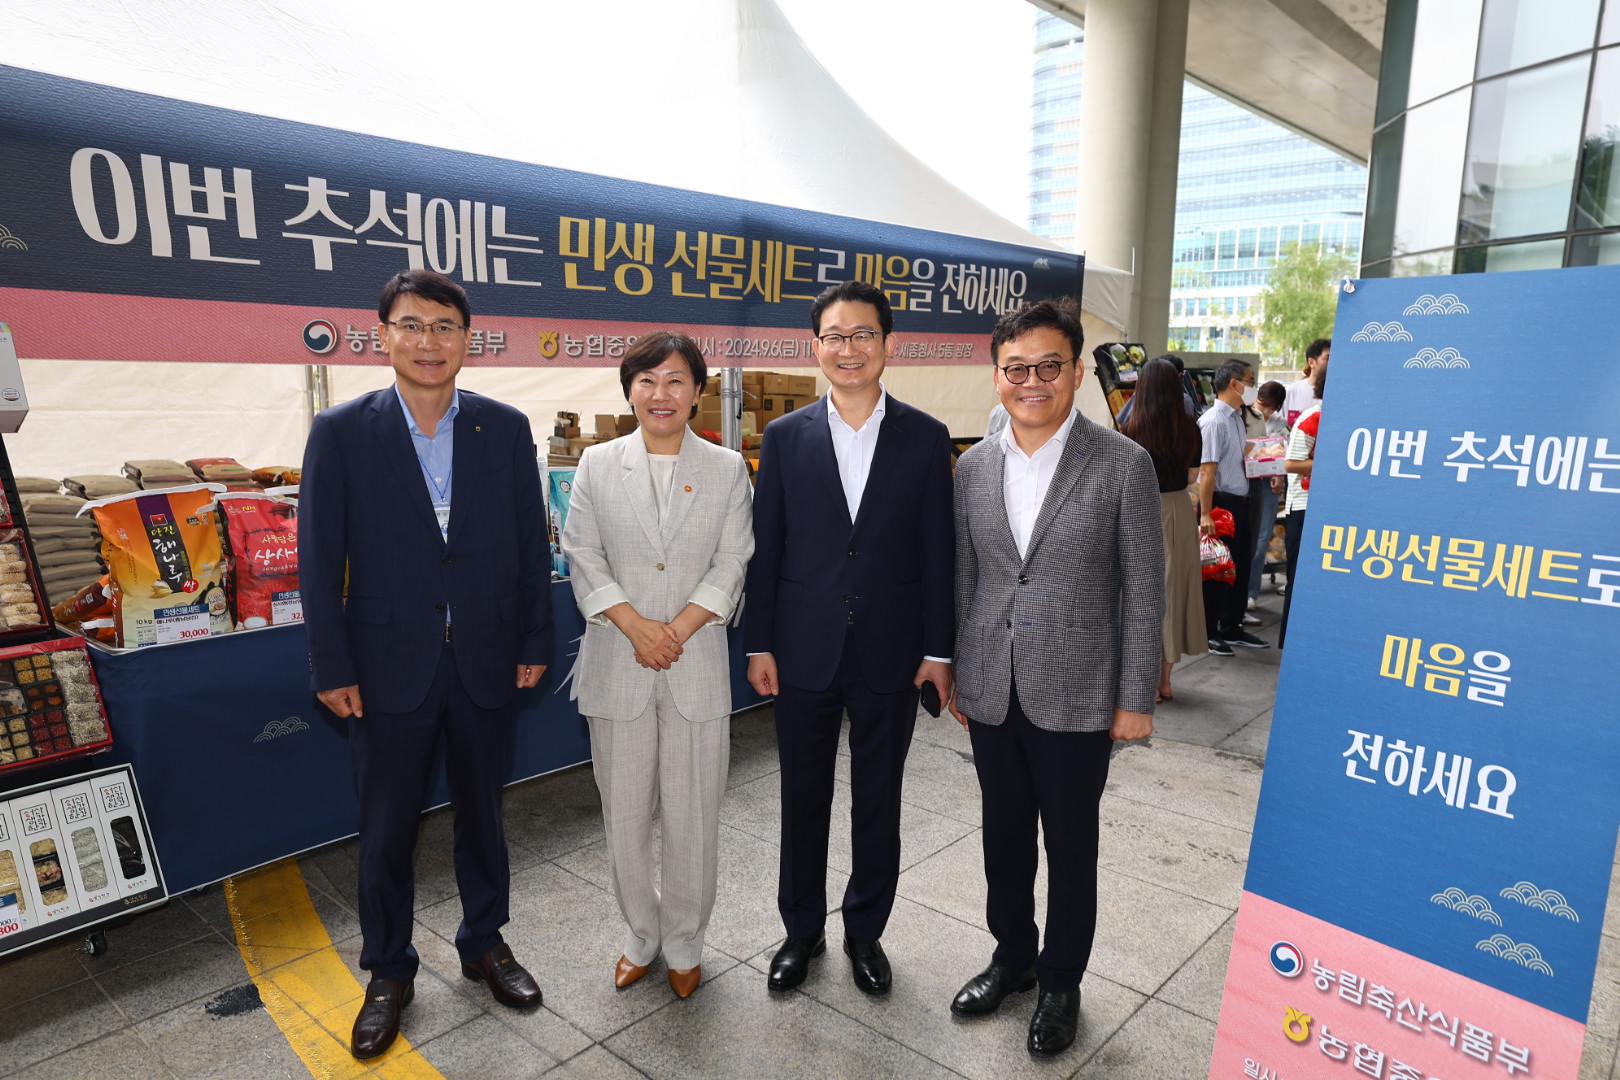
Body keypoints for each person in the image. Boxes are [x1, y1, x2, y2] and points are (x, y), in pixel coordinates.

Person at [301, 269, 553, 1059]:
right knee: (386, 830)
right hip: (384, 664)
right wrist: (330, 663)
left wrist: (535, 642)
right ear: (384, 336)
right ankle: (388, 970)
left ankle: (485, 943)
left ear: (466, 338)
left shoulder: (505, 429)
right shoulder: (341, 432)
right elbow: (318, 559)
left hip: (484, 659)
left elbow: (528, 546)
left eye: (444, 326)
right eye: (412, 325)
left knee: (484, 814)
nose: (428, 341)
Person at [948, 298, 1163, 1057]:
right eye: (1016, 369)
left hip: (1079, 691)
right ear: (997, 375)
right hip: (992, 688)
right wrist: (958, 673)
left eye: (1048, 366)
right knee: (1003, 838)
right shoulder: (973, 465)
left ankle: (1062, 981)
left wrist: (1136, 696)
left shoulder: (1121, 463)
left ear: (1075, 372)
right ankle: (1012, 959)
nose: (1031, 381)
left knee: (1071, 848)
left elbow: (1143, 587)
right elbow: (967, 580)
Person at [744, 279, 955, 997]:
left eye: (863, 334)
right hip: (802, 647)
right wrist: (759, 642)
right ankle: (800, 930)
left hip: (891, 650)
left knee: (878, 797)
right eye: (835, 336)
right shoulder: (784, 436)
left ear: (888, 345)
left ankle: (865, 932)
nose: (849, 349)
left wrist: (938, 651)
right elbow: (766, 548)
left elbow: (937, 554)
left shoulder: (925, 438)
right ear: (816, 348)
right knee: (802, 796)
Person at [559, 332, 754, 999]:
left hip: (695, 660)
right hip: (619, 659)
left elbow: (733, 560)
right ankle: (639, 935)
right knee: (624, 812)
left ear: (699, 392)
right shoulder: (596, 464)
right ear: (629, 390)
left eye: (675, 381)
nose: (660, 394)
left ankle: (684, 942)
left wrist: (676, 627)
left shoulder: (728, 468)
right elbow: (581, 553)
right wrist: (637, 626)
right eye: (646, 380)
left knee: (694, 811)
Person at [1123, 356, 1206, 702]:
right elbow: (1192, 476)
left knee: (1134, 594)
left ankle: (1139, 681)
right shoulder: (1190, 425)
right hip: (1177, 511)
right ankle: (1165, 682)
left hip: (1136, 510)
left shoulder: (1128, 426)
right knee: (1173, 593)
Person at [1196, 358, 1268, 656]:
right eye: (1250, 381)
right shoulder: (1213, 421)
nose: (1253, 387)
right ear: (1234, 384)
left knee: (1239, 565)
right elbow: (1207, 471)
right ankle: (1208, 630)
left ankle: (1232, 625)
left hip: (1243, 500)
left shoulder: (1238, 418)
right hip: (1222, 502)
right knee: (1217, 569)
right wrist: (1205, 514)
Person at [1280, 363, 1328, 649]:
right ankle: (1290, 644)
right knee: (1299, 580)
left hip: (1330, 509)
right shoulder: (1314, 417)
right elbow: (1291, 463)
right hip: (1304, 508)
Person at [1244, 380, 1289, 613]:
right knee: (1243, 538)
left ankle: (1251, 593)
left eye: (1270, 407)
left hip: (1268, 484)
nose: (1265, 411)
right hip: (1243, 482)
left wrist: (1279, 475)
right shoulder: (1243, 416)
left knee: (1261, 539)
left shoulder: (1281, 425)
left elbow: (1283, 455)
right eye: (1262, 404)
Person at [1283, 338, 1330, 427]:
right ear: (1311, 362)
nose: (1332, 363)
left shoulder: (1339, 395)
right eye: (1328, 358)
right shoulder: (1291, 392)